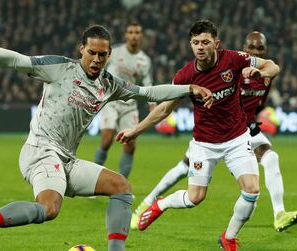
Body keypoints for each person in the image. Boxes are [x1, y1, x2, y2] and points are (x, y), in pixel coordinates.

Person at [0, 25, 213, 251]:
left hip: (66, 158)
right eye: (92, 53)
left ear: (109, 55)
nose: (96, 59)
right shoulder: (60, 68)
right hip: (41, 151)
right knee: (49, 208)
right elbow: (17, 60)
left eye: (102, 55)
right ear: (81, 49)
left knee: (121, 187)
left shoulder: (108, 84)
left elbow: (147, 92)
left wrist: (188, 88)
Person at [116, 20, 280, 251]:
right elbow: (163, 109)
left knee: (252, 190)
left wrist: (260, 72)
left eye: (205, 42)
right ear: (190, 45)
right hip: (204, 144)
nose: (200, 47)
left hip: (237, 138)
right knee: (195, 198)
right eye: (195, 43)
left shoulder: (234, 59)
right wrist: (134, 131)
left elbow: (273, 66)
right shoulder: (185, 76)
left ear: (216, 43)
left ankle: (228, 238)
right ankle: (161, 204)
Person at [93, 22, 155, 178]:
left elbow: (148, 84)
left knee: (130, 145)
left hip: (129, 105)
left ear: (141, 36)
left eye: (137, 32)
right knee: (106, 140)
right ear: (126, 35)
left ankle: (122, 185)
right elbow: (98, 68)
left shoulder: (145, 60)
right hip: (111, 102)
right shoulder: (114, 52)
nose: (134, 35)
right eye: (131, 32)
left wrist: (152, 104)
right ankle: (92, 179)